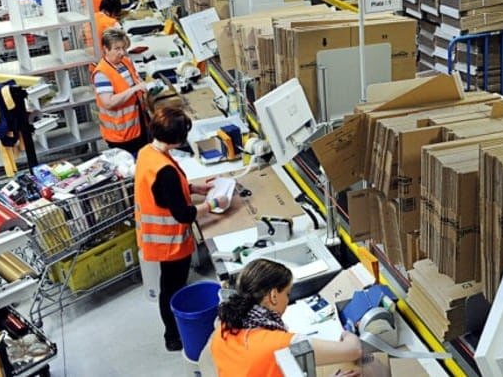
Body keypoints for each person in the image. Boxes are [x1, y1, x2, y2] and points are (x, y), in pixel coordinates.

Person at [135, 106, 229, 352]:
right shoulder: (164, 169)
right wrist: (212, 204)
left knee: (170, 286)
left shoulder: (148, 152)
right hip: (170, 243)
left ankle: (172, 332)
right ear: (177, 139)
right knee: (172, 289)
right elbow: (184, 214)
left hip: (156, 238)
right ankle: (173, 336)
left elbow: (165, 192)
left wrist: (193, 189)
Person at [210, 259, 362, 376]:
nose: (288, 301)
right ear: (273, 295)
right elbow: (353, 350)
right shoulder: (283, 345)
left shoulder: (222, 328)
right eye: (287, 294)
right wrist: (347, 333)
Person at [93, 28, 148, 155]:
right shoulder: (102, 73)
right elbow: (108, 102)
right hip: (120, 134)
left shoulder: (125, 62)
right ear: (106, 49)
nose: (122, 52)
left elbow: (136, 80)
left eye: (123, 48)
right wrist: (135, 89)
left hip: (137, 126)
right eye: (117, 49)